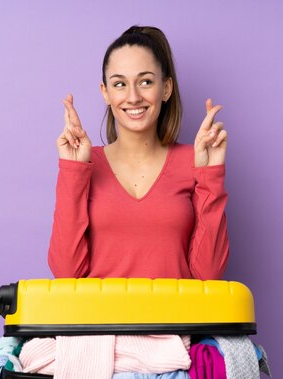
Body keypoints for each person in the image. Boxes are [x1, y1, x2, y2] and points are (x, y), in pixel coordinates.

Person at [48, 25, 229, 281]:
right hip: (99, 319)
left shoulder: (194, 161)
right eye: (120, 84)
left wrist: (210, 175)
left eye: (145, 82)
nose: (133, 97)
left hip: (174, 320)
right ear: (106, 93)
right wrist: (73, 170)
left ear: (166, 88)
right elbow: (66, 274)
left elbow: (209, 275)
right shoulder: (86, 163)